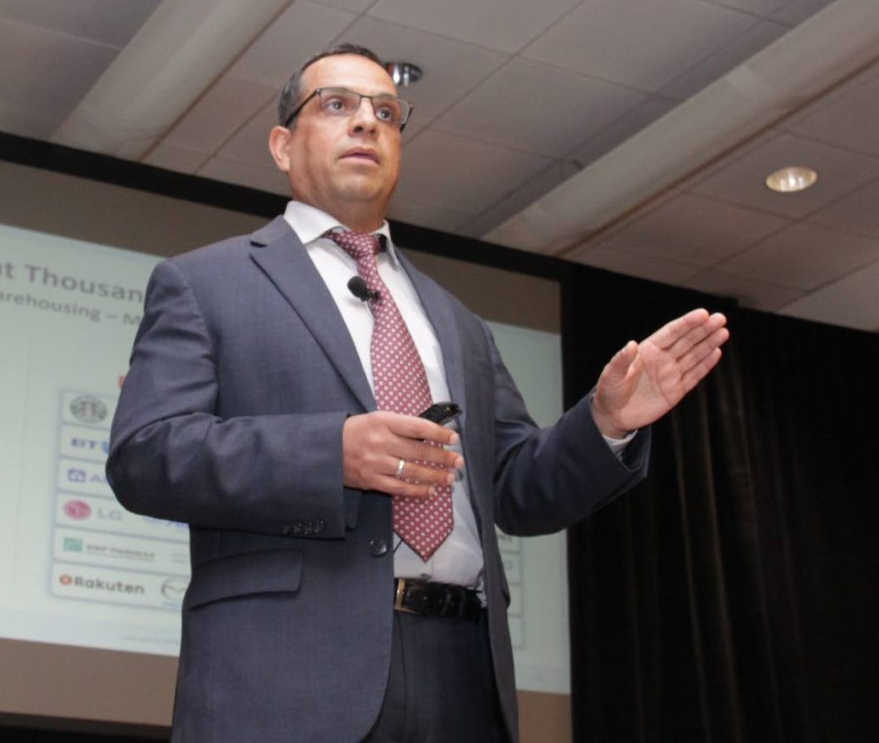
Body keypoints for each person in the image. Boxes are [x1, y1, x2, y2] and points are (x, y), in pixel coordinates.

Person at [107, 43, 728, 743]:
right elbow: (145, 454)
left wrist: (606, 422)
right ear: (283, 145)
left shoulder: (456, 322)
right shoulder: (205, 284)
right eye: (337, 105)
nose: (367, 123)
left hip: (462, 677)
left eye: (387, 113)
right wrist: (329, 453)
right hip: (286, 678)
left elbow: (517, 491)